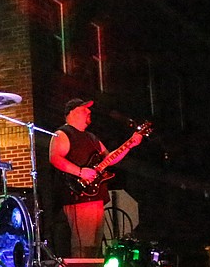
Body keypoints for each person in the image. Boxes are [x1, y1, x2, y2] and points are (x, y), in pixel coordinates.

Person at [48, 98, 142, 258]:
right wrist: (80, 172)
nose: (89, 112)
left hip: (95, 197)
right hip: (79, 197)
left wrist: (130, 144)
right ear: (73, 111)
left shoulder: (91, 137)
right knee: (84, 245)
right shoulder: (63, 134)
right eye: (85, 109)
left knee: (94, 246)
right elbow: (55, 158)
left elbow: (109, 158)